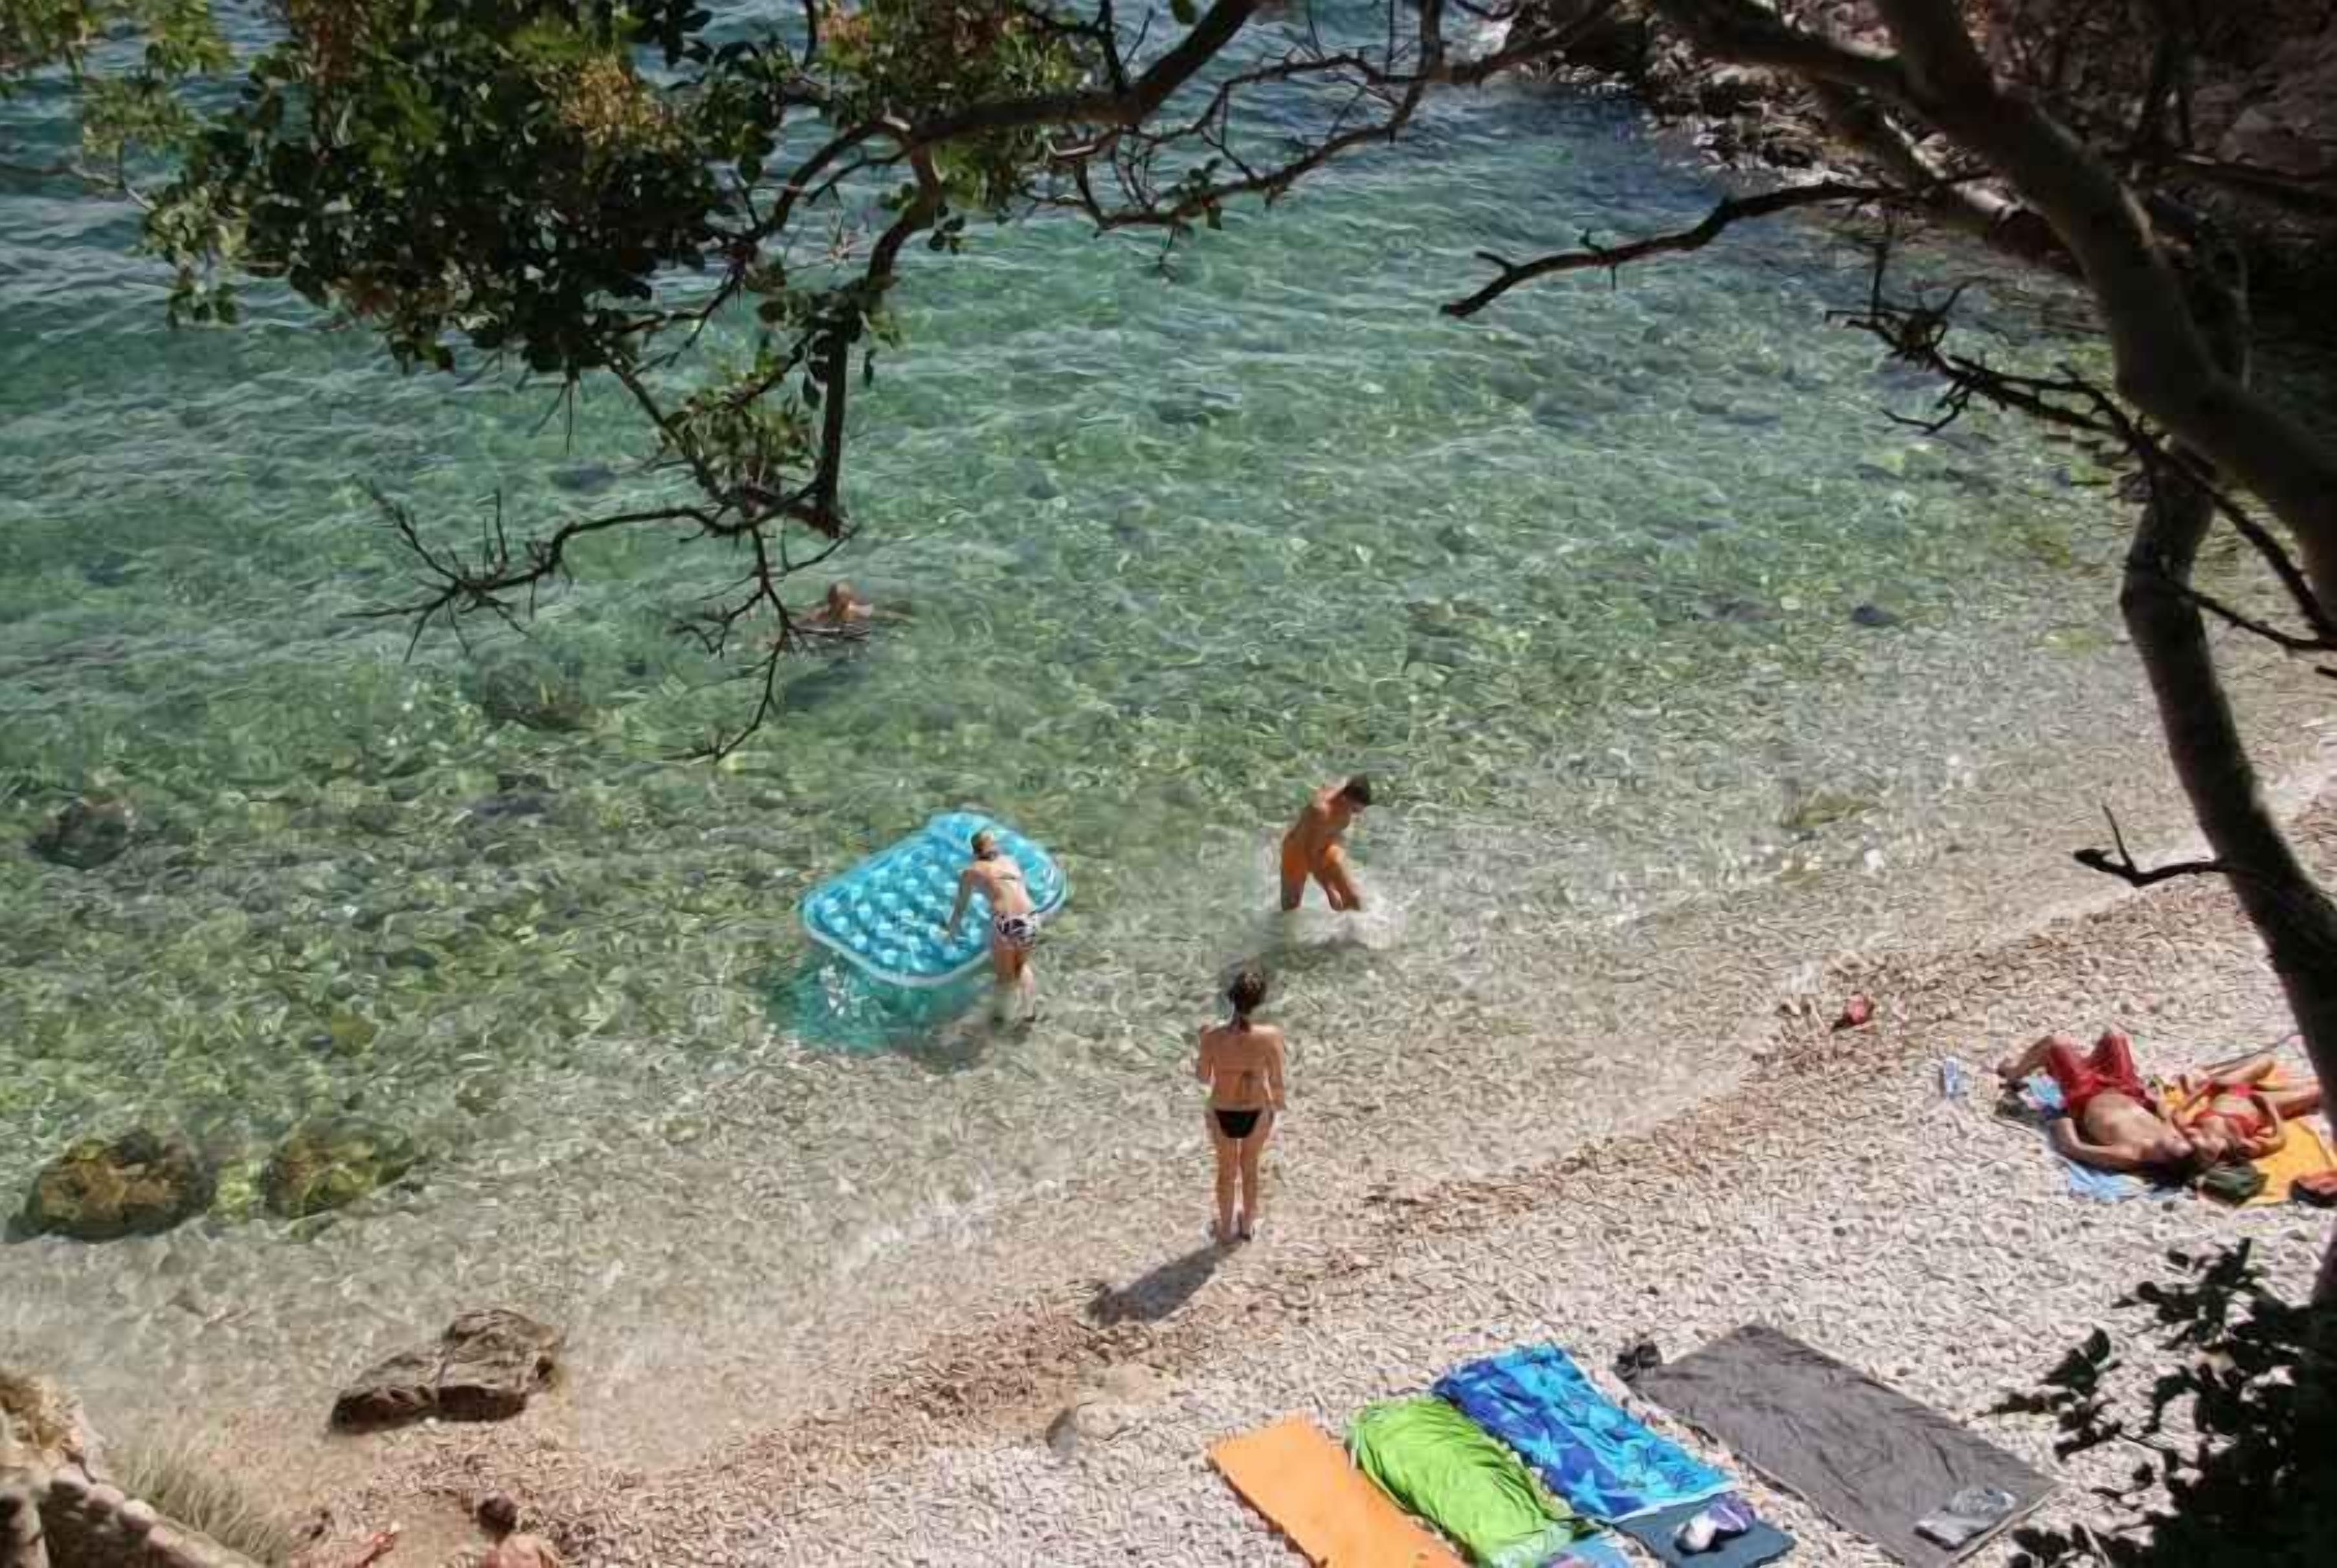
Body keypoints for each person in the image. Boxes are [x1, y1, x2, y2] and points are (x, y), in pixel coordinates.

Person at [1995, 1029, 2209, 1181]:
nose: (2177, 1136)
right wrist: (2157, 1100)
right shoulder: (2168, 1134)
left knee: (2056, 1042)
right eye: (2179, 1138)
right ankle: (2077, 1064)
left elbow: (2075, 1149)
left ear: (2165, 1159)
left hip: (2085, 1095)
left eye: (2176, 1142)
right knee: (2114, 1035)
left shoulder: (2127, 1154)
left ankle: (2014, 1073)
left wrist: (2064, 1122)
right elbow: (2168, 1114)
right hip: (2125, 1088)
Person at [1195, 964, 1286, 1243]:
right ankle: (1247, 1226)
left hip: (1222, 1110)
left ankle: (1225, 1229)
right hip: (1256, 1110)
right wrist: (1277, 1108)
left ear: (1231, 997)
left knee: (1226, 1172)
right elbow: (1277, 1080)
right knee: (1250, 1168)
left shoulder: (1211, 1035)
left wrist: (1203, 1047)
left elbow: (1203, 1077)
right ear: (1260, 1002)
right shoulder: (1270, 1036)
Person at [945, 828, 1040, 1021]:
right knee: (1021, 967)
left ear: (975, 851)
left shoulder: (973, 870)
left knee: (1005, 978)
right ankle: (1030, 1012)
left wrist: (952, 929)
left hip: (1007, 921)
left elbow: (961, 905)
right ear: (995, 847)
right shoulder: (1010, 862)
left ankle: (1000, 1018)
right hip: (1031, 917)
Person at [2169, 1049, 2325, 1163]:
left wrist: (2204, 1089)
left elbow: (2177, 1112)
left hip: (2234, 1090)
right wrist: (2271, 1109)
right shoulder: (2240, 1148)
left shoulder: (2190, 1133)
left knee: (2267, 1060)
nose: (2192, 1137)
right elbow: (2279, 1141)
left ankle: (2213, 1076)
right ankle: (2269, 1089)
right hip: (2260, 1105)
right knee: (2320, 1091)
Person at [1280, 774, 1372, 912]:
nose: (1356, 815)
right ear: (1344, 798)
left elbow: (1345, 780)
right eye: (1354, 810)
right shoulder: (1321, 812)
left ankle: (1356, 925)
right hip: (1297, 854)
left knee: (1354, 899)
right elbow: (1311, 857)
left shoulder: (1344, 788)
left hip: (1327, 847)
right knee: (1290, 910)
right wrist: (1330, 891)